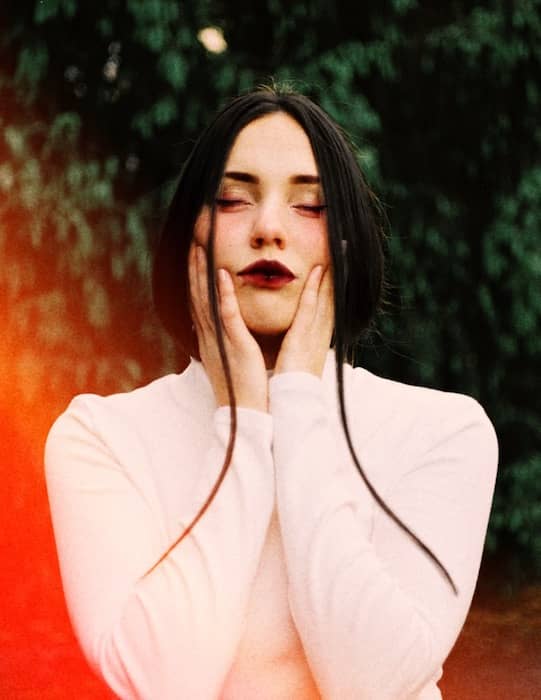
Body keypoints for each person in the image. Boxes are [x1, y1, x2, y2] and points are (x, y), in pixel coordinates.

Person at [45, 86, 498, 700]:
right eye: (234, 199)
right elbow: (158, 682)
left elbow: (375, 682)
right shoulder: (101, 438)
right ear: (189, 238)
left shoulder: (445, 432)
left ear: (349, 244)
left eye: (309, 205)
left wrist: (299, 404)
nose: (268, 228)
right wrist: (243, 426)